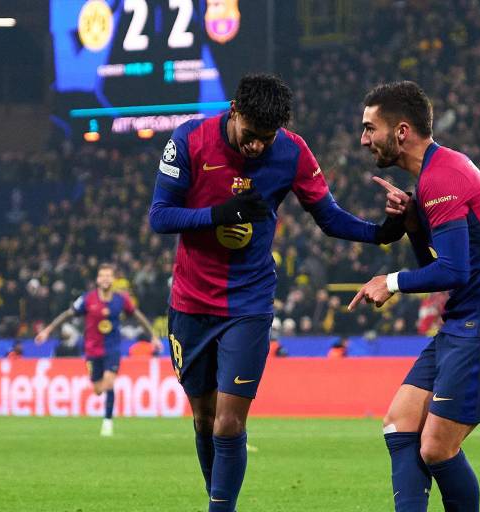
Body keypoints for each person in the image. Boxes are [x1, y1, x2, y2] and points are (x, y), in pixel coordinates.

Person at [148, 73, 404, 512]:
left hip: (248, 302)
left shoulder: (291, 151)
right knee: (204, 419)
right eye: (250, 135)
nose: (256, 146)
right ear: (234, 111)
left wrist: (381, 233)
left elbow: (329, 217)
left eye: (266, 139)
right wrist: (218, 214)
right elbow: (160, 216)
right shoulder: (189, 140)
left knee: (229, 424)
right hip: (190, 302)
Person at [348, 81, 480, 512]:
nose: (363, 139)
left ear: (401, 131)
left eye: (369, 128)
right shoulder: (436, 176)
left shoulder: (443, 177)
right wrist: (415, 226)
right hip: (467, 319)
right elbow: (441, 266)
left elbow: (454, 271)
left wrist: (390, 282)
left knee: (436, 447)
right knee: (400, 425)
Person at [34, 263, 161, 436]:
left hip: (112, 349)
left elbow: (138, 315)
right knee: (98, 389)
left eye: (108, 275)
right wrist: (47, 330)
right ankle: (105, 409)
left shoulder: (121, 299)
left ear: (113, 279)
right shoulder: (87, 299)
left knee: (109, 382)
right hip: (92, 350)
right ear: (97, 279)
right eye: (102, 276)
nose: (105, 279)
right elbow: (67, 314)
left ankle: (107, 422)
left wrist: (153, 336)